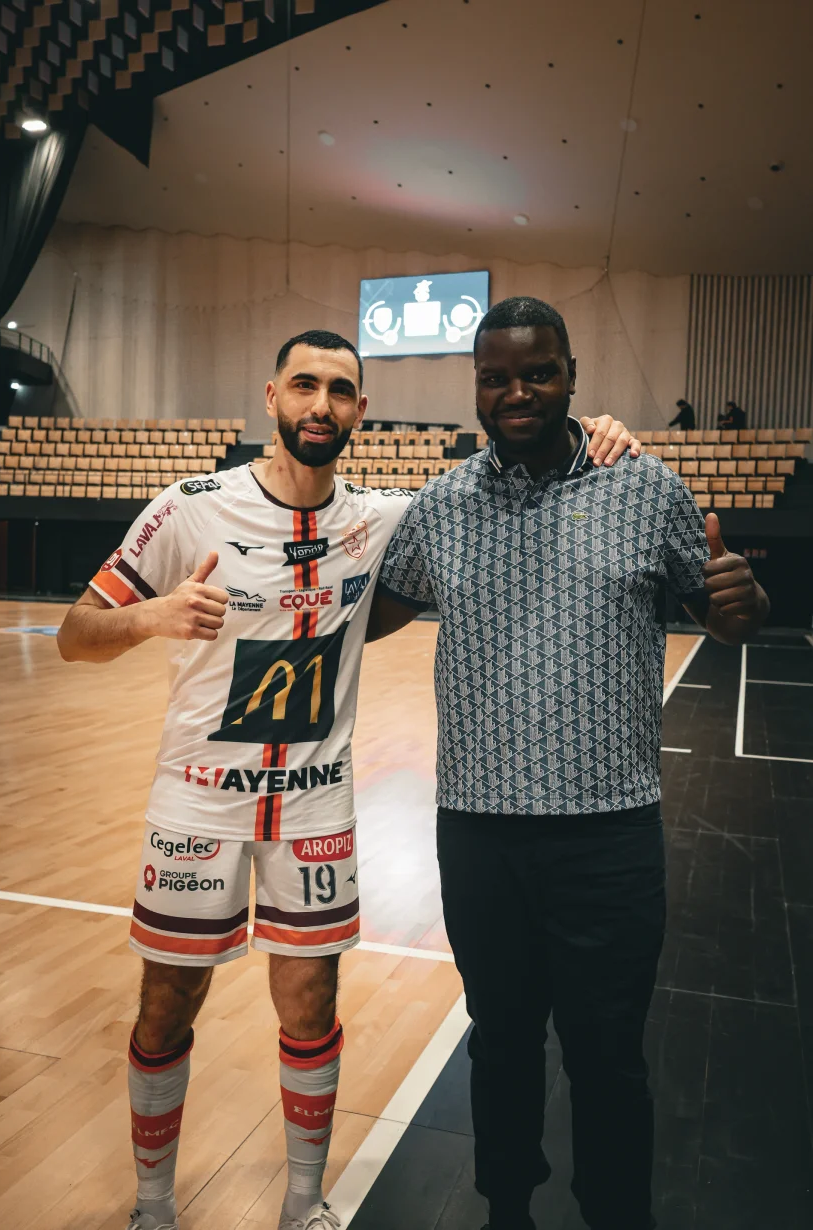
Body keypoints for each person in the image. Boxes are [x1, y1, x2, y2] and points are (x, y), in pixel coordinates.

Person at [55, 328, 641, 1230]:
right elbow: (76, 633)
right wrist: (154, 618)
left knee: (310, 1001)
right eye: (303, 385)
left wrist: (601, 431)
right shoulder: (188, 507)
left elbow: (505, 473)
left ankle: (303, 1205)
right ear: (272, 397)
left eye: (339, 391)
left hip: (316, 800)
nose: (320, 405)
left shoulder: (388, 520)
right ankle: (153, 1206)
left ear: (361, 411)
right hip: (198, 801)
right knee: (167, 1004)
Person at [368, 297, 770, 1230]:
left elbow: (718, 607)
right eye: (496, 375)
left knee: (607, 1055)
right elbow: (372, 607)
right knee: (499, 1043)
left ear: (572, 374)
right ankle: (506, 1207)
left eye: (537, 371)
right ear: (475, 384)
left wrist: (742, 606)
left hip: (609, 838)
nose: (517, 391)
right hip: (478, 837)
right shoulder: (441, 507)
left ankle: (615, 1215)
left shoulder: (649, 490)